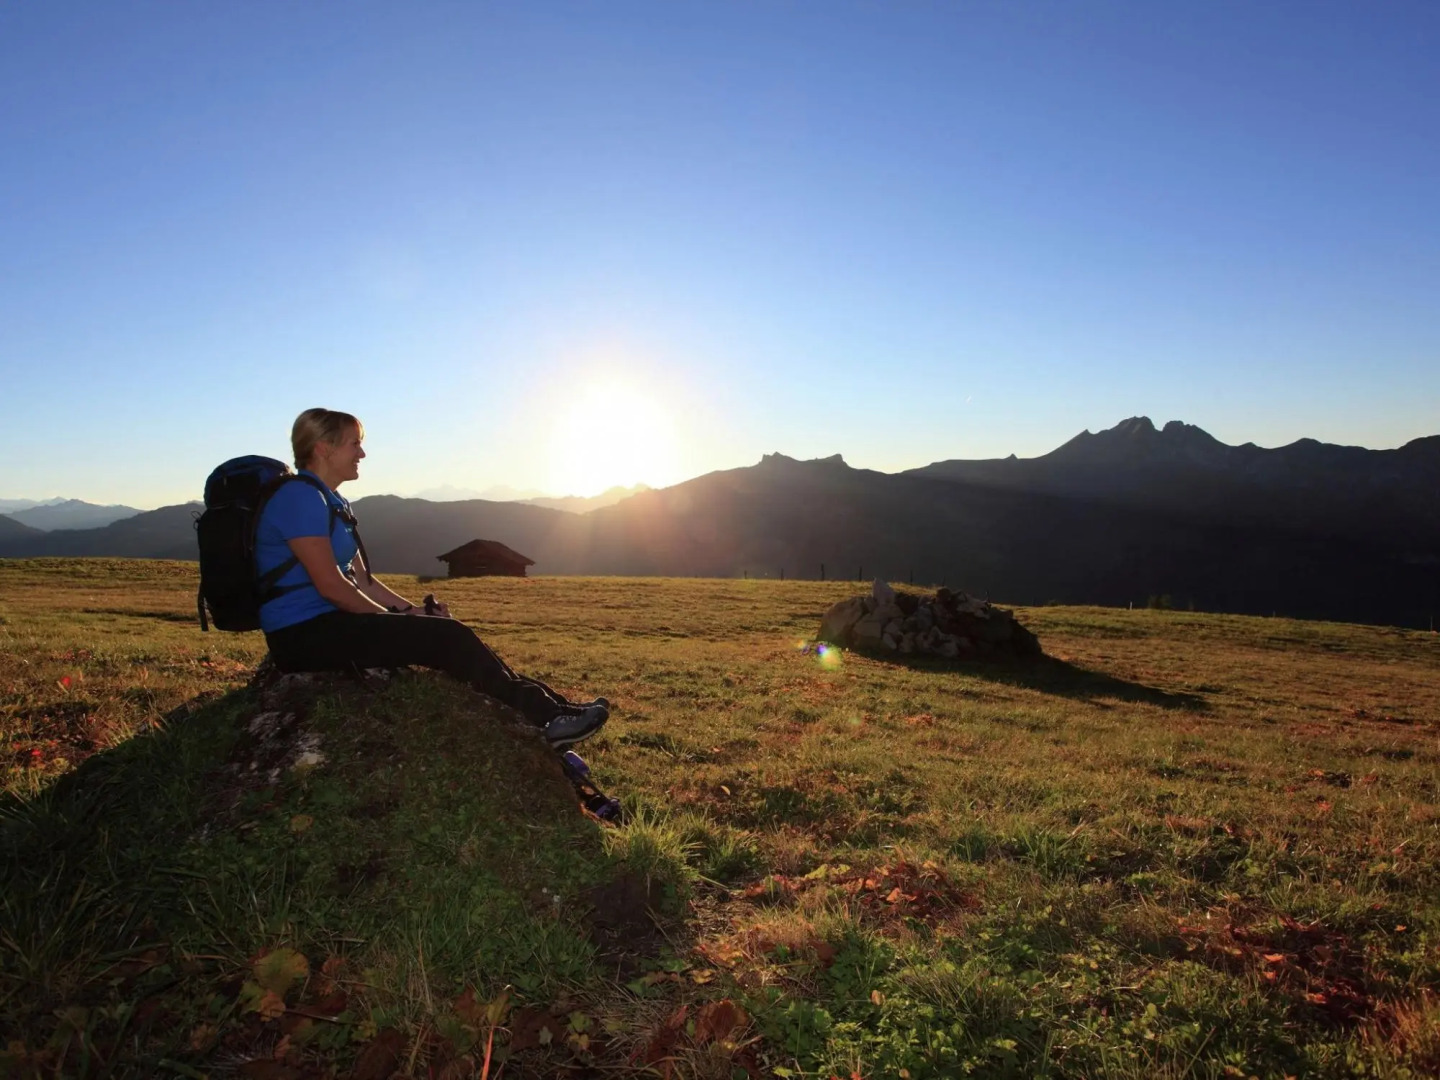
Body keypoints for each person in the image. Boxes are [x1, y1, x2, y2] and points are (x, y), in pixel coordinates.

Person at [256, 407, 608, 748]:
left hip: (330, 622)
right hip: (301, 634)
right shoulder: (299, 498)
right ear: (324, 448)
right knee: (448, 638)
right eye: (354, 444)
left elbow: (364, 582)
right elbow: (332, 587)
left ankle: (558, 709)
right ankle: (548, 720)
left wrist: (414, 613)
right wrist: (395, 621)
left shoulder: (332, 501)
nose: (362, 453)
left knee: (448, 630)